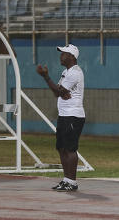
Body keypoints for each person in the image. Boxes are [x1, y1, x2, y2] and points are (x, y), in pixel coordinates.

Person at [36, 44, 85, 191]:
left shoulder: (75, 73)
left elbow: (58, 91)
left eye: (63, 53)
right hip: (64, 115)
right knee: (62, 148)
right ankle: (66, 179)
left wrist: (46, 77)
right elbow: (59, 91)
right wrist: (61, 91)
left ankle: (73, 182)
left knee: (70, 149)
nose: (61, 56)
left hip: (73, 116)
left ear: (71, 56)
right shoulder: (66, 72)